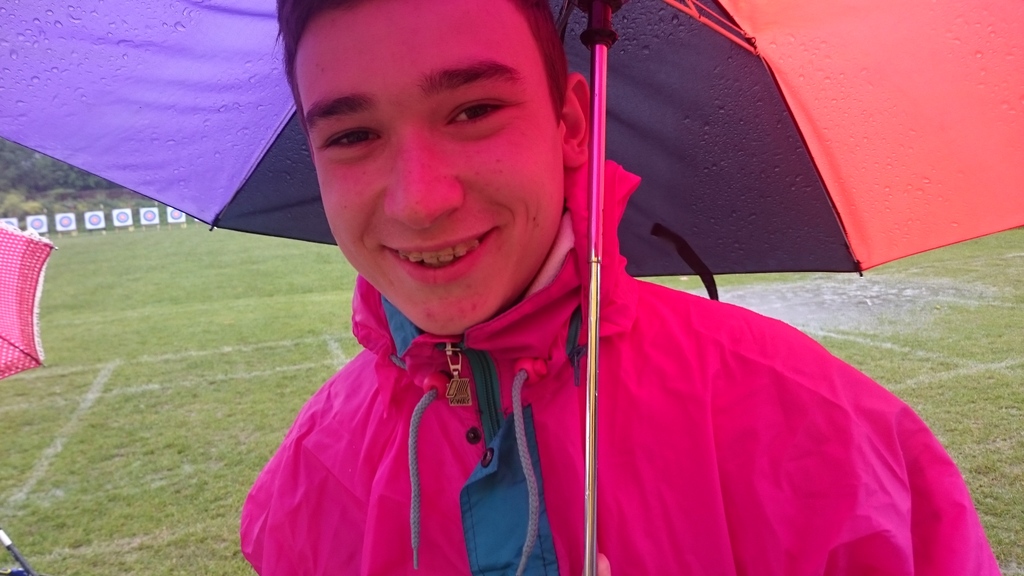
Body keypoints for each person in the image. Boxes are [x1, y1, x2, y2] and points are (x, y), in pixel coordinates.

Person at [240, 0, 1000, 574]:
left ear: (573, 123)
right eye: (352, 135)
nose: (419, 201)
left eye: (474, 110)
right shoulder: (310, 474)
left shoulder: (822, 431)